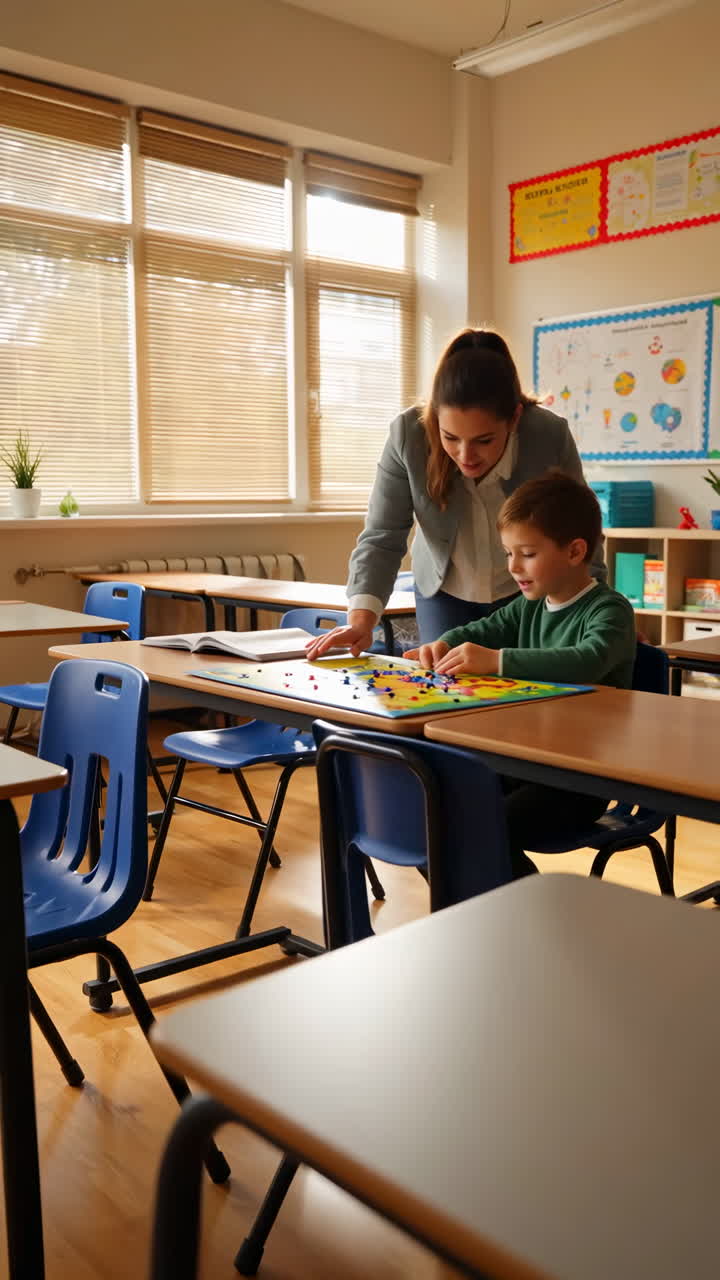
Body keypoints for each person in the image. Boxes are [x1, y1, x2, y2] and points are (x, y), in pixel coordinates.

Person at [306, 327, 604, 660]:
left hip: (529, 595)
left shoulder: (548, 435)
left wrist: (597, 610)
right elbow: (383, 535)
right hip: (445, 592)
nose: (465, 455)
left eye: (484, 440)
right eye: (450, 438)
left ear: (514, 419)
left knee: (531, 695)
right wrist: (361, 621)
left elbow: (580, 530)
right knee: (448, 695)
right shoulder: (408, 435)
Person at [410, 471, 636, 879]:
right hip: (523, 763)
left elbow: (587, 659)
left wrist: (498, 662)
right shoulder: (529, 605)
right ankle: (486, 921)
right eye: (508, 552)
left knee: (482, 830)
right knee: (436, 818)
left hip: (581, 780)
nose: (513, 566)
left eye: (527, 553)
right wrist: (443, 644)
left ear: (574, 551)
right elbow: (477, 632)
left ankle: (530, 922)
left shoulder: (610, 610)